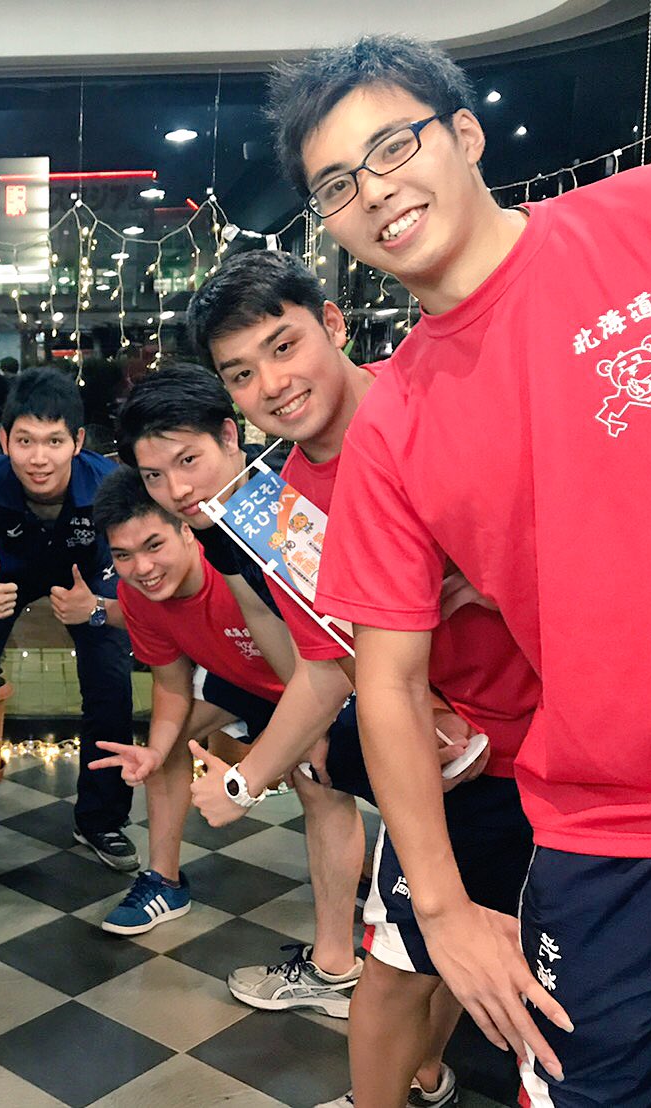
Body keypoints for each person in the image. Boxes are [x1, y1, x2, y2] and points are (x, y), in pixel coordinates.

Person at [270, 34, 651, 1106]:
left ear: (464, 135)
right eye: (337, 184)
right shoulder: (392, 425)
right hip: (613, 836)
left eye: (392, 147)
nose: (374, 192)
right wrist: (437, 906)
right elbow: (383, 679)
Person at [192, 249, 539, 1107]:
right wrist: (245, 778)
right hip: (457, 761)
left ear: (334, 324)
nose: (273, 384)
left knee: (538, 959)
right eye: (242, 373)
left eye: (284, 346)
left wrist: (497, 567)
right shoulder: (280, 510)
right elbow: (329, 666)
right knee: (401, 963)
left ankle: (428, 1073)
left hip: (575, 741)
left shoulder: (439, 401)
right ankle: (408, 1082)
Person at [115, 365, 370, 1017]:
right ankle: (338, 965)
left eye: (188, 460)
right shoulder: (222, 517)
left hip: (413, 680)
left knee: (403, 813)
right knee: (321, 779)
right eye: (153, 476)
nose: (176, 489)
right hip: (336, 673)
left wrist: (249, 777)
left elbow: (338, 637)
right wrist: (304, 721)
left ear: (230, 437)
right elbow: (272, 617)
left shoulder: (272, 499)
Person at [0, 368, 135, 872]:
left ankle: (101, 819)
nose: (39, 458)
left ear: (78, 442)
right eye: (25, 441)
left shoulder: (109, 490)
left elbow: (141, 600)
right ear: (4, 440)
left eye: (54, 441)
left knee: (110, 675)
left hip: (87, 578)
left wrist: (96, 609)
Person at [87, 464, 285, 936]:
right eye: (124, 555)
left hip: (312, 687)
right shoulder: (136, 594)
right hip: (239, 681)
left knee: (322, 784)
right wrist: (155, 751)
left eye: (154, 545)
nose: (142, 568)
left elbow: (322, 674)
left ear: (186, 529)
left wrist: (254, 777)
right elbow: (172, 685)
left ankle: (341, 949)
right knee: (167, 746)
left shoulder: (241, 571)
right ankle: (164, 882)